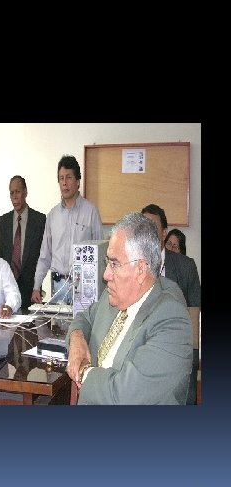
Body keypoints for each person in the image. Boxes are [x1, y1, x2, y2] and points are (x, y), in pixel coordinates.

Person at [66, 212, 192, 404]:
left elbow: (124, 396)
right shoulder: (114, 296)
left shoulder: (172, 321)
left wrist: (83, 372)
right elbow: (84, 318)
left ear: (141, 270)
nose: (106, 275)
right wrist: (77, 340)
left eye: (114, 264)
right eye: (107, 262)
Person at [141, 204, 201, 404]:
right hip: (141, 350)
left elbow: (195, 318)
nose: (147, 232)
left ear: (164, 233)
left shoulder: (185, 266)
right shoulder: (132, 264)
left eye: (152, 227)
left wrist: (191, 363)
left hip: (176, 350)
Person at [32, 155, 103, 305]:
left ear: (77, 181)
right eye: (61, 178)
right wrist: (36, 286)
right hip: (58, 285)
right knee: (57, 321)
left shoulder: (91, 212)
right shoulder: (52, 215)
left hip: (83, 285)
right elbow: (45, 256)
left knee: (82, 321)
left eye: (69, 177)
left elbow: (100, 253)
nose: (64, 183)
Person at [0, 175, 46, 310]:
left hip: (31, 291)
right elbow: (3, 257)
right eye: (11, 193)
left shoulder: (39, 220)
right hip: (9, 289)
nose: (15, 197)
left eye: (18, 192)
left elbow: (43, 256)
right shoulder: (4, 221)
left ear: (25, 192)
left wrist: (37, 287)